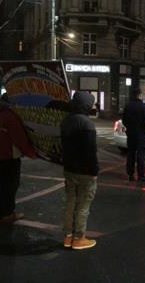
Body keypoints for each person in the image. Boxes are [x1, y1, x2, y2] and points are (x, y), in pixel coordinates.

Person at [0, 93, 37, 223]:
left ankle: (1, 212)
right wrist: (31, 153)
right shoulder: (10, 116)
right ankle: (8, 214)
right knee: (11, 185)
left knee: (2, 184)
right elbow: (19, 138)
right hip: (9, 155)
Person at [61, 91, 99, 250]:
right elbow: (90, 152)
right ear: (86, 105)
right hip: (85, 171)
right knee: (83, 205)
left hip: (69, 168)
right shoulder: (87, 124)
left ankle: (68, 236)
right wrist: (94, 171)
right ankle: (79, 238)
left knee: (70, 202)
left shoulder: (66, 121)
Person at [123, 88, 145, 182]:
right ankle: (141, 175)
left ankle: (130, 174)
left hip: (131, 133)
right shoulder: (144, 107)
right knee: (141, 155)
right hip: (141, 134)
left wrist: (129, 128)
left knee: (130, 154)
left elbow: (124, 120)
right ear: (139, 95)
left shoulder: (128, 106)